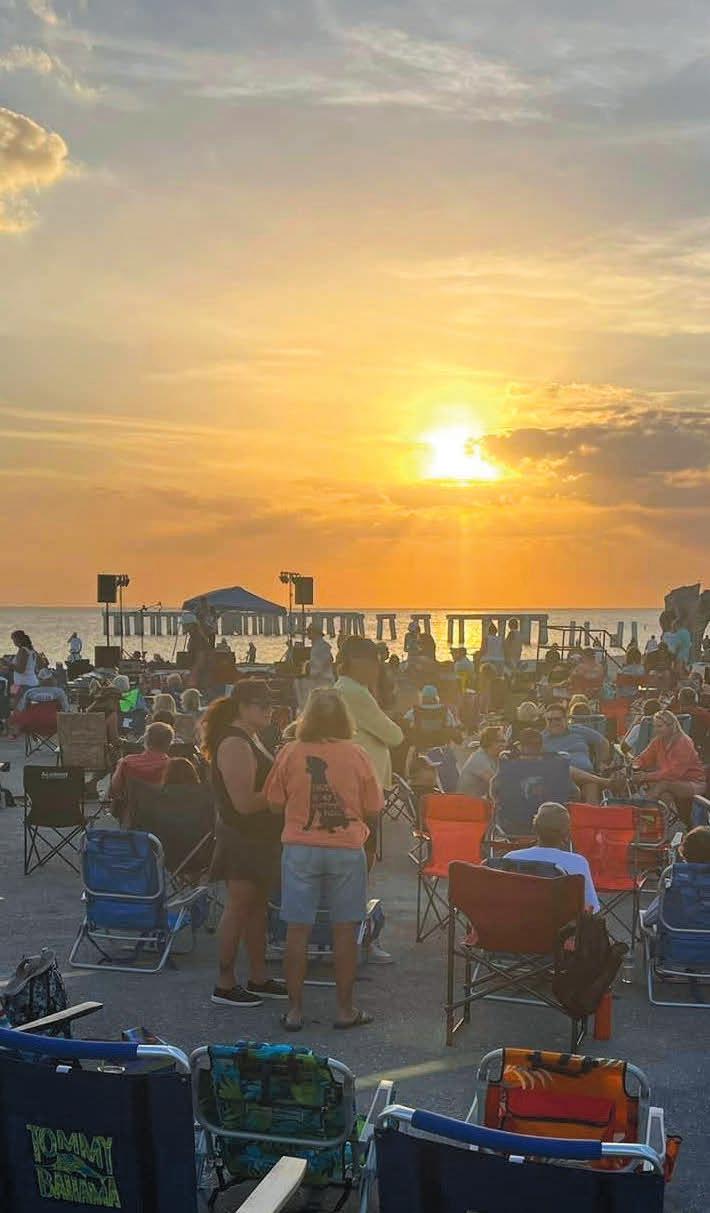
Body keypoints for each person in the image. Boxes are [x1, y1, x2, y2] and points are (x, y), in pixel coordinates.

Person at [264, 688, 383, 1030]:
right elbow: (374, 806)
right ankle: (345, 1009)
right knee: (344, 930)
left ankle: (294, 1010)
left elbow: (274, 802)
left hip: (300, 848)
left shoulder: (290, 752)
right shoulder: (357, 754)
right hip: (346, 847)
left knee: (297, 930)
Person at [202, 681, 286, 1008]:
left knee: (256, 908)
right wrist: (284, 791)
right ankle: (224, 983)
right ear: (242, 707)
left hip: (258, 838)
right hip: (243, 838)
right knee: (238, 907)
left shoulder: (249, 737)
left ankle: (258, 976)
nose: (269, 710)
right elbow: (245, 803)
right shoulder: (235, 743)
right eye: (261, 704)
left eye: (270, 703)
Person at [335, 637, 404, 793]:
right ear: (359, 663)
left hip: (357, 776)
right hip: (366, 781)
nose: (377, 668)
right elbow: (394, 736)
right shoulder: (354, 692)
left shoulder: (345, 686)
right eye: (374, 662)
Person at [505, 802, 600, 911]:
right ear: (566, 833)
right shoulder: (578, 862)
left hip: (519, 919)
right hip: (562, 921)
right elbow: (592, 908)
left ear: (535, 828)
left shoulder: (511, 858)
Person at [633, 709, 706, 821]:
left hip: (693, 782)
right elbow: (644, 758)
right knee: (664, 795)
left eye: (660, 726)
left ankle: (643, 816)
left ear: (671, 726)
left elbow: (673, 773)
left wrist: (645, 776)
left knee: (663, 785)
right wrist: (635, 766)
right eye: (655, 726)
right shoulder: (658, 741)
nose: (656, 730)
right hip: (673, 782)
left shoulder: (684, 742)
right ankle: (659, 825)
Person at [642, 827, 710, 927]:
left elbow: (648, 919)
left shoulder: (679, 885)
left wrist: (664, 891)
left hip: (681, 935)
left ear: (685, 854)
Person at [543, 705, 611, 803]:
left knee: (591, 786)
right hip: (558, 779)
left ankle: (592, 811)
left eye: (557, 719)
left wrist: (602, 762)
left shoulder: (578, 730)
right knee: (564, 766)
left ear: (566, 719)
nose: (553, 723)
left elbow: (603, 742)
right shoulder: (541, 739)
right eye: (550, 720)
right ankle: (605, 782)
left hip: (586, 774)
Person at [110, 721, 174, 800]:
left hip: (132, 806)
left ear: (146, 739)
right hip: (160, 805)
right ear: (169, 744)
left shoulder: (127, 762)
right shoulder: (173, 766)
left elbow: (116, 789)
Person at [457, 726, 505, 798]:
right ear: (490, 742)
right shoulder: (479, 759)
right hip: (467, 802)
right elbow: (496, 784)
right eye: (501, 741)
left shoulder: (494, 756)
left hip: (479, 799)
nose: (505, 744)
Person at [9, 630, 38, 702]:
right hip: (29, 682)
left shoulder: (23, 650)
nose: (13, 642)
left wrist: (8, 664)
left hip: (23, 684)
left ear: (18, 639)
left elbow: (21, 670)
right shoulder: (32, 650)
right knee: (18, 703)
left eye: (14, 639)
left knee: (16, 705)